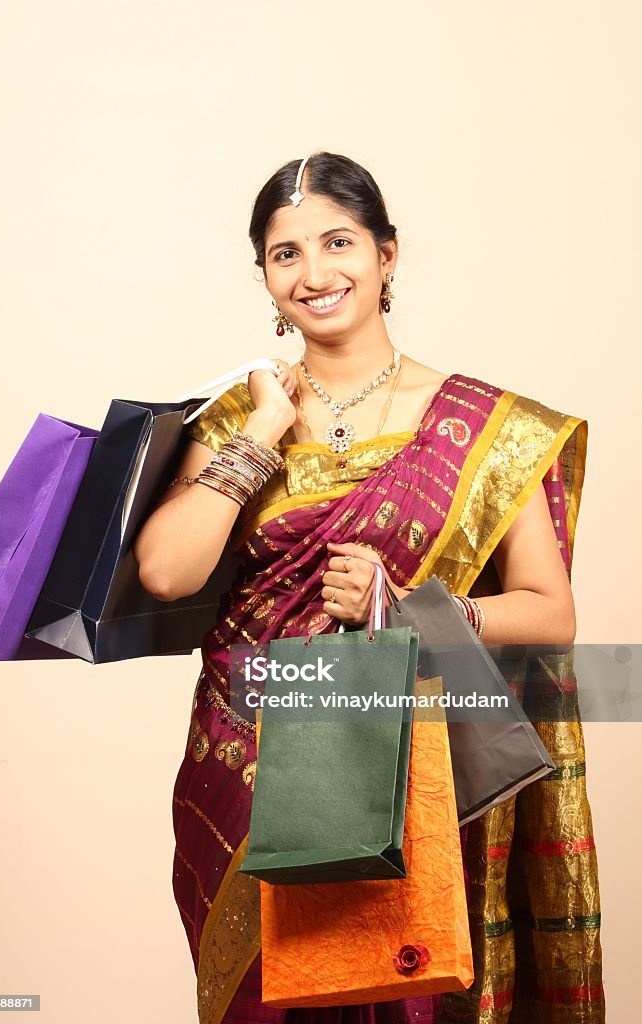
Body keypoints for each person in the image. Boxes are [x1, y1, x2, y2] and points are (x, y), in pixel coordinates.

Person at [133, 153, 604, 1023]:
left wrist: (416, 611)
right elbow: (167, 572)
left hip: (404, 761)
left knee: (401, 982)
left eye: (339, 242)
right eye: (285, 255)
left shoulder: (482, 424)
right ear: (264, 277)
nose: (315, 275)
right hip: (249, 763)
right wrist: (267, 430)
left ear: (387, 255)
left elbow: (551, 610)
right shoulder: (240, 418)